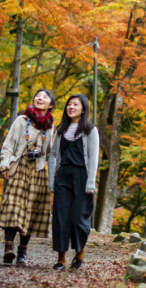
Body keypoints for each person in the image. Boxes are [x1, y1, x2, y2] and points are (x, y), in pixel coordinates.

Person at [0, 89, 56, 265]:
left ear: (50, 105)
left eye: (45, 97)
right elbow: (8, 145)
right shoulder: (21, 120)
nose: (40, 98)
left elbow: (51, 153)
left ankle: (23, 252)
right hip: (20, 167)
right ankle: (9, 248)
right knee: (13, 208)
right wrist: (5, 164)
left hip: (38, 172)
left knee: (30, 212)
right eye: (38, 95)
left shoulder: (50, 127)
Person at [49, 94, 99, 270]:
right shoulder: (61, 130)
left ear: (83, 108)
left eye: (75, 104)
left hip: (82, 177)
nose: (71, 107)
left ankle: (80, 251)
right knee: (60, 217)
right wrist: (52, 182)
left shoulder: (90, 130)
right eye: (69, 104)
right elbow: (53, 154)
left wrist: (90, 184)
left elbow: (93, 157)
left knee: (79, 218)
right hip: (62, 176)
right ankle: (61, 258)